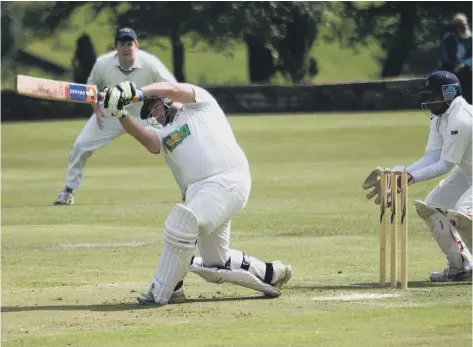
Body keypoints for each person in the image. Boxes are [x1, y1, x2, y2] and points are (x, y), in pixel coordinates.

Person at [100, 80, 292, 305]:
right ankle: (271, 273)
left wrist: (138, 93)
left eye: (154, 107)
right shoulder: (164, 134)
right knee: (216, 263)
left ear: (165, 100)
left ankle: (166, 289)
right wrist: (120, 114)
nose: (154, 115)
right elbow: (144, 138)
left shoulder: (201, 104)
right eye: (149, 113)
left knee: (182, 223)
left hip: (227, 181)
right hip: (201, 193)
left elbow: (172, 87)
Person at [364, 71, 472, 282]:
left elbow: (444, 165)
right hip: (467, 171)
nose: (428, 101)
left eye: (432, 96)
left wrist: (408, 179)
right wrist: (402, 173)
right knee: (431, 207)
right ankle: (461, 267)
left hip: (464, 169)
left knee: (463, 215)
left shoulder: (462, 119)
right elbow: (431, 156)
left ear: (448, 94)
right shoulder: (440, 117)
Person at [54, 27, 176, 205]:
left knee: (174, 146)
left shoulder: (150, 63)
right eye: (122, 44)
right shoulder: (103, 64)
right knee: (80, 146)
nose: (126, 48)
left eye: (130, 43)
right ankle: (68, 191)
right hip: (110, 112)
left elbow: (172, 87)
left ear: (136, 45)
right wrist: (96, 109)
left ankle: (188, 189)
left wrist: (158, 104)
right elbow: (91, 88)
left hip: (144, 112)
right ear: (116, 47)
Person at [440, 13, 472, 104]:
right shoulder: (448, 39)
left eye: (465, 24)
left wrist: (464, 64)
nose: (464, 27)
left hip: (466, 68)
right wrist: (454, 65)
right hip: (450, 68)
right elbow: (445, 56)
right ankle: (450, 104)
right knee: (447, 78)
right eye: (461, 25)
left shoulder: (471, 39)